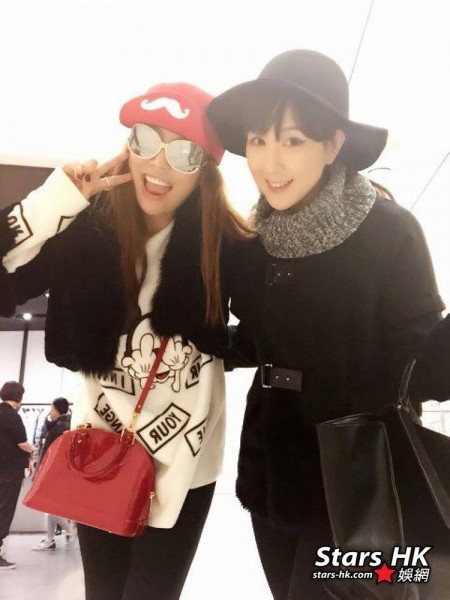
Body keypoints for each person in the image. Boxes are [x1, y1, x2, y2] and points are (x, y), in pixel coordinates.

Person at [207, 49, 445, 599]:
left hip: (361, 478)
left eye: (293, 140)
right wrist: (201, 338)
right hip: (272, 469)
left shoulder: (389, 233)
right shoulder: (251, 246)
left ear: (333, 144)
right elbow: (259, 341)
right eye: (258, 140)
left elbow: (420, 361)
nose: (270, 163)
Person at [0, 82, 249, 598]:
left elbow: (272, 334)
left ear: (205, 168)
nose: (158, 164)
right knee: (103, 591)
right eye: (145, 140)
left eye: (183, 152)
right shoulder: (85, 230)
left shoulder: (223, 244)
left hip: (185, 460)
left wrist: (217, 342)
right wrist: (55, 201)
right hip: (101, 446)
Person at [32, 397, 77, 551]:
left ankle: (70, 531)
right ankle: (50, 539)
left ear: (57, 409)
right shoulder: (65, 425)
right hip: (59, 471)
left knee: (50, 506)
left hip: (54, 471)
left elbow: (52, 452)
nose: (50, 411)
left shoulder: (59, 427)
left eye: (52, 408)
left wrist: (40, 470)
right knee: (51, 506)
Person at [0, 381, 34, 570]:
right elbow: (22, 443)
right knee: (4, 510)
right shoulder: (12, 416)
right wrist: (32, 451)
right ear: (19, 397)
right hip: (9, 471)